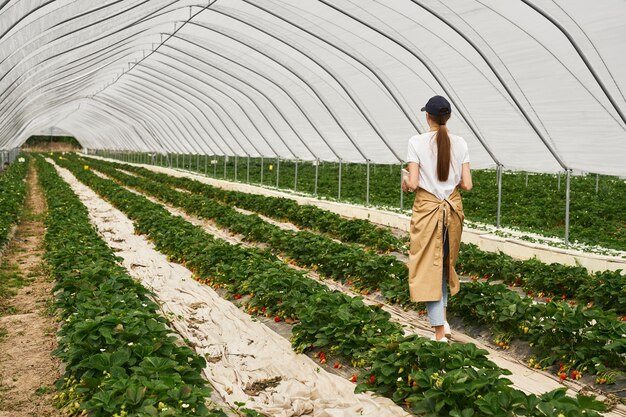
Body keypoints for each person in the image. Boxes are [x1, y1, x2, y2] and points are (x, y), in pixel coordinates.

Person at [402, 95, 472, 342]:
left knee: (427, 267)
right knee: (444, 264)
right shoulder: (461, 143)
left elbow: (412, 182)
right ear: (448, 117)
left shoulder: (416, 142)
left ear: (427, 117)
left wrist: (405, 183)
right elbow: (467, 184)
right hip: (452, 209)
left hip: (428, 209)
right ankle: (444, 321)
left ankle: (439, 334)